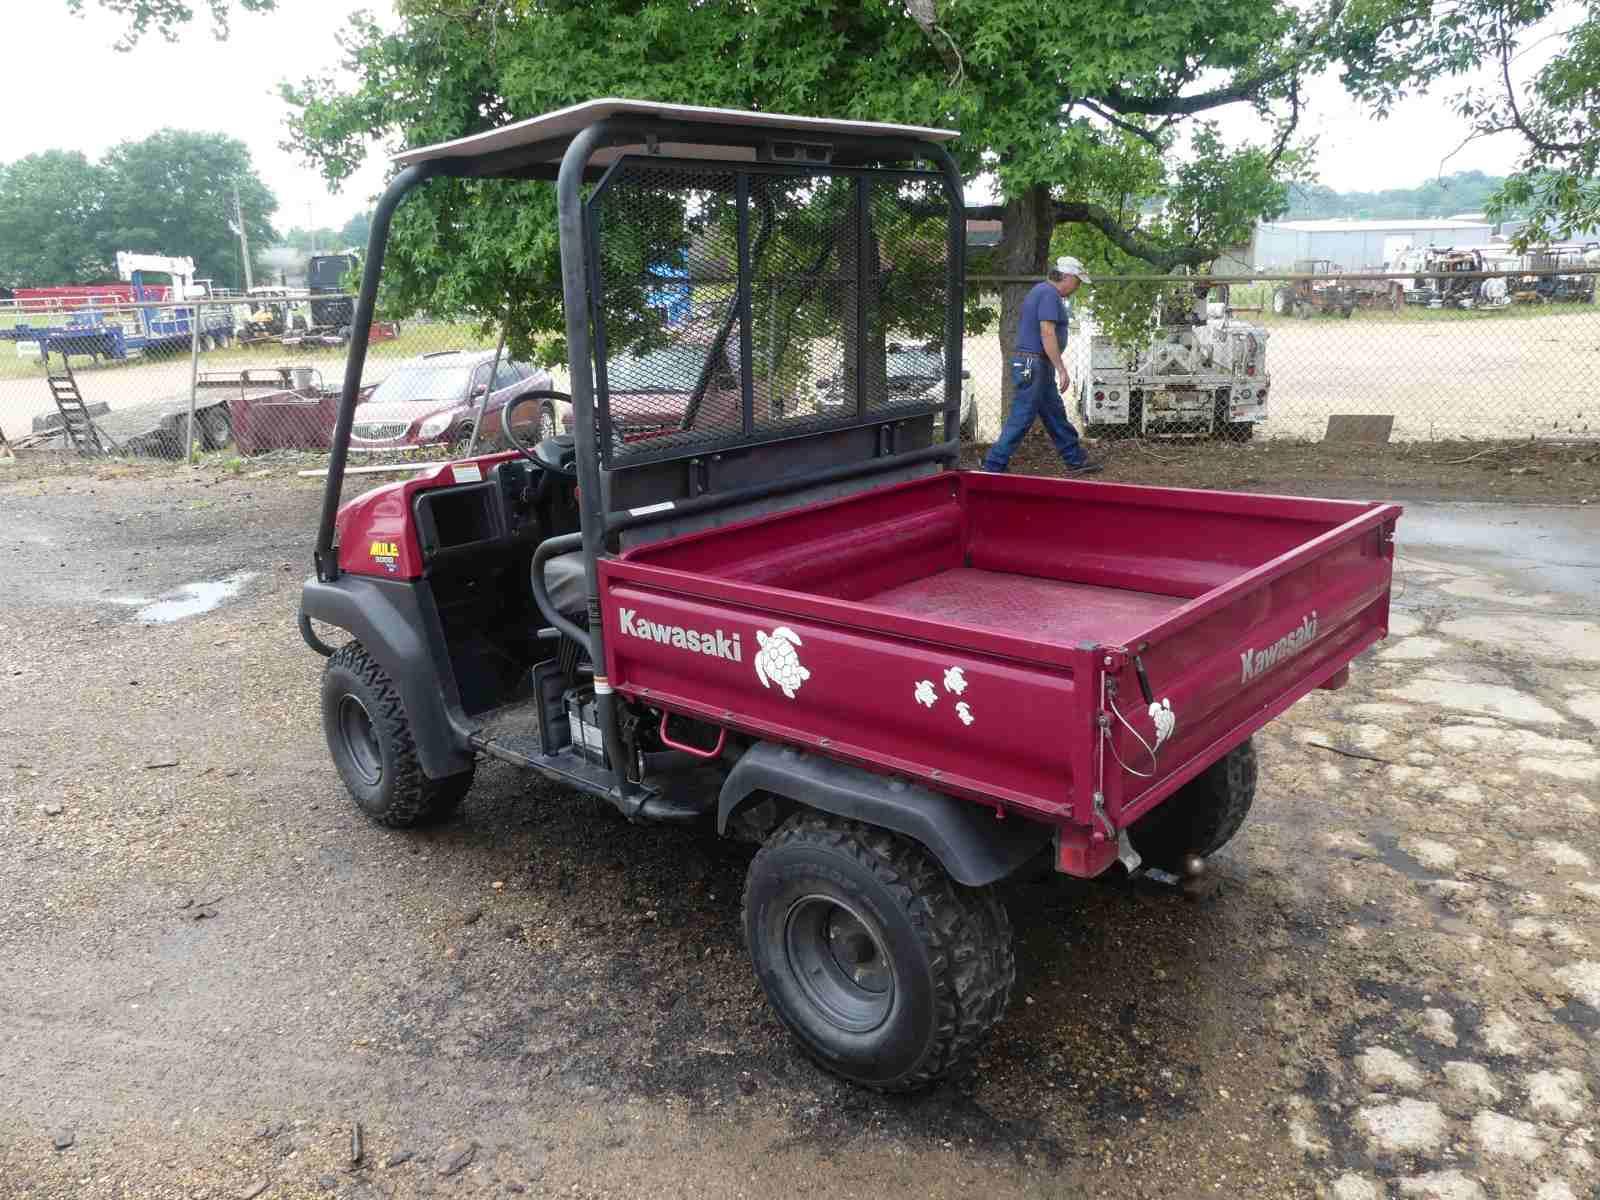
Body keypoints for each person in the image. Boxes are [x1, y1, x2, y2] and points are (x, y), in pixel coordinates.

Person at [981, 256, 1102, 474]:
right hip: (1034, 363)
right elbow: (1047, 333)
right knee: (1023, 415)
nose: (1077, 287)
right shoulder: (1048, 294)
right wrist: (1062, 369)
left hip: (1036, 364)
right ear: (1067, 276)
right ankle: (993, 464)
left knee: (1055, 413)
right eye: (1077, 282)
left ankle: (1075, 460)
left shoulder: (1042, 292)